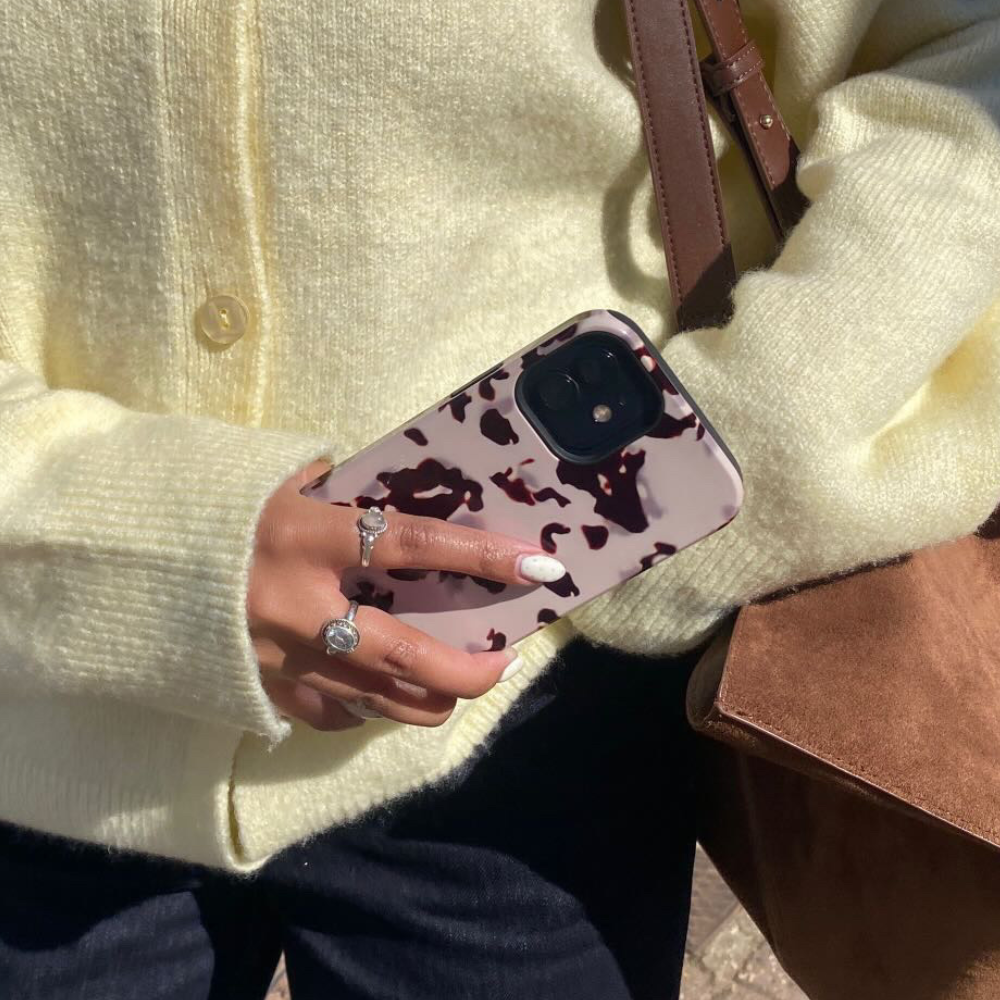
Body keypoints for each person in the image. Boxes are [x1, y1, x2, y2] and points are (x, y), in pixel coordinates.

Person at [0, 1, 998, 997]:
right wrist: (94, 532)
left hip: (544, 705)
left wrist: (752, 434)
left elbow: (959, 56)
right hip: (40, 711)